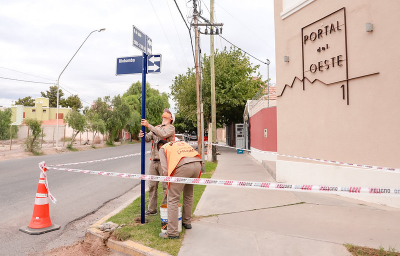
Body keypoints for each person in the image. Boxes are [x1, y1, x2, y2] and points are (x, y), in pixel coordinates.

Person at [157, 140, 202, 239]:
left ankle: (172, 232)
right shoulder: (179, 143)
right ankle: (187, 222)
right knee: (188, 195)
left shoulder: (162, 149)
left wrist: (167, 185)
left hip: (183, 167)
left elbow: (165, 170)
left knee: (172, 199)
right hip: (197, 164)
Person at [139, 108, 175, 216]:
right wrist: (143, 135)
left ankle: (165, 209)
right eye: (163, 115)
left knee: (166, 187)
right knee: (152, 186)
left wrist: (149, 126)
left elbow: (163, 135)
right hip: (153, 161)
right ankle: (152, 209)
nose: (164, 117)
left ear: (171, 118)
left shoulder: (171, 128)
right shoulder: (157, 127)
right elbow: (148, 137)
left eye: (166, 115)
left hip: (164, 162)